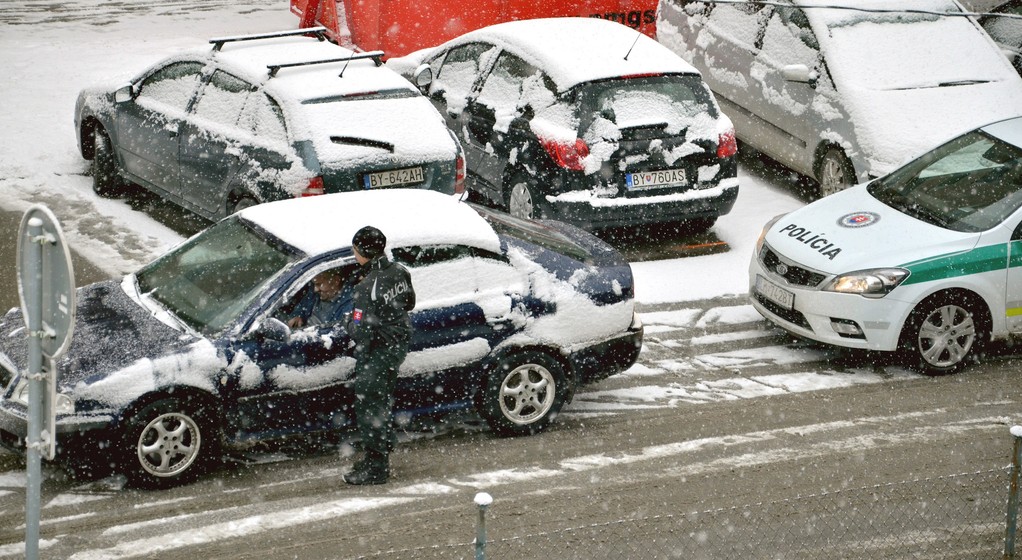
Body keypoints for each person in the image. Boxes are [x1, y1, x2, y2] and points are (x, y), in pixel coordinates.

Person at [343, 225, 416, 485]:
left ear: (361, 251)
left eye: (354, 250)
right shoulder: (399, 271)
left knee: (370, 406)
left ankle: (377, 467)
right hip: (398, 345)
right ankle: (381, 450)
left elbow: (360, 332)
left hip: (379, 350)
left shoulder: (366, 287)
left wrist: (348, 322)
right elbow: (409, 303)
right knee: (381, 399)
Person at [287, 268, 355, 329]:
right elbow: (302, 306)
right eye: (314, 284)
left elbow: (336, 334)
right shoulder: (317, 292)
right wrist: (298, 316)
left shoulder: (350, 304)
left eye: (319, 284)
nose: (315, 289)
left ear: (336, 280)